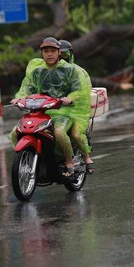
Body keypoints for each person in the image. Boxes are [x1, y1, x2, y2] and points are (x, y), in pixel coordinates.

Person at [9, 37, 83, 177]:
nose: (49, 54)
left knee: (59, 133)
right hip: (40, 111)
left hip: (63, 111)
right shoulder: (37, 71)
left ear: (59, 52)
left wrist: (69, 98)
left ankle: (69, 161)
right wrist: (20, 97)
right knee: (15, 132)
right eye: (46, 51)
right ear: (41, 53)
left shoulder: (69, 70)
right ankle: (24, 161)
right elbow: (27, 88)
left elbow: (78, 90)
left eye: (52, 51)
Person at [59, 40, 95, 174]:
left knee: (76, 134)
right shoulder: (47, 71)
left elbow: (82, 92)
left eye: (64, 54)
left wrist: (71, 99)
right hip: (54, 109)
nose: (62, 58)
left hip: (76, 110)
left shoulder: (78, 72)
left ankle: (86, 157)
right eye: (59, 54)